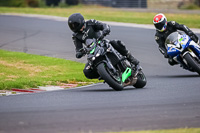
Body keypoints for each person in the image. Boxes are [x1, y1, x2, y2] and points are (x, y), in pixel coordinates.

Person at [68, 13, 139, 79]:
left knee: (116, 43)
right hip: (92, 51)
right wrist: (79, 53)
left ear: (81, 21)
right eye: (72, 26)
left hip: (102, 43)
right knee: (86, 71)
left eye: (75, 24)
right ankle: (105, 74)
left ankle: (131, 59)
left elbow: (103, 25)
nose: (74, 27)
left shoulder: (91, 23)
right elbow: (78, 49)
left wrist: (105, 30)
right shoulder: (75, 36)